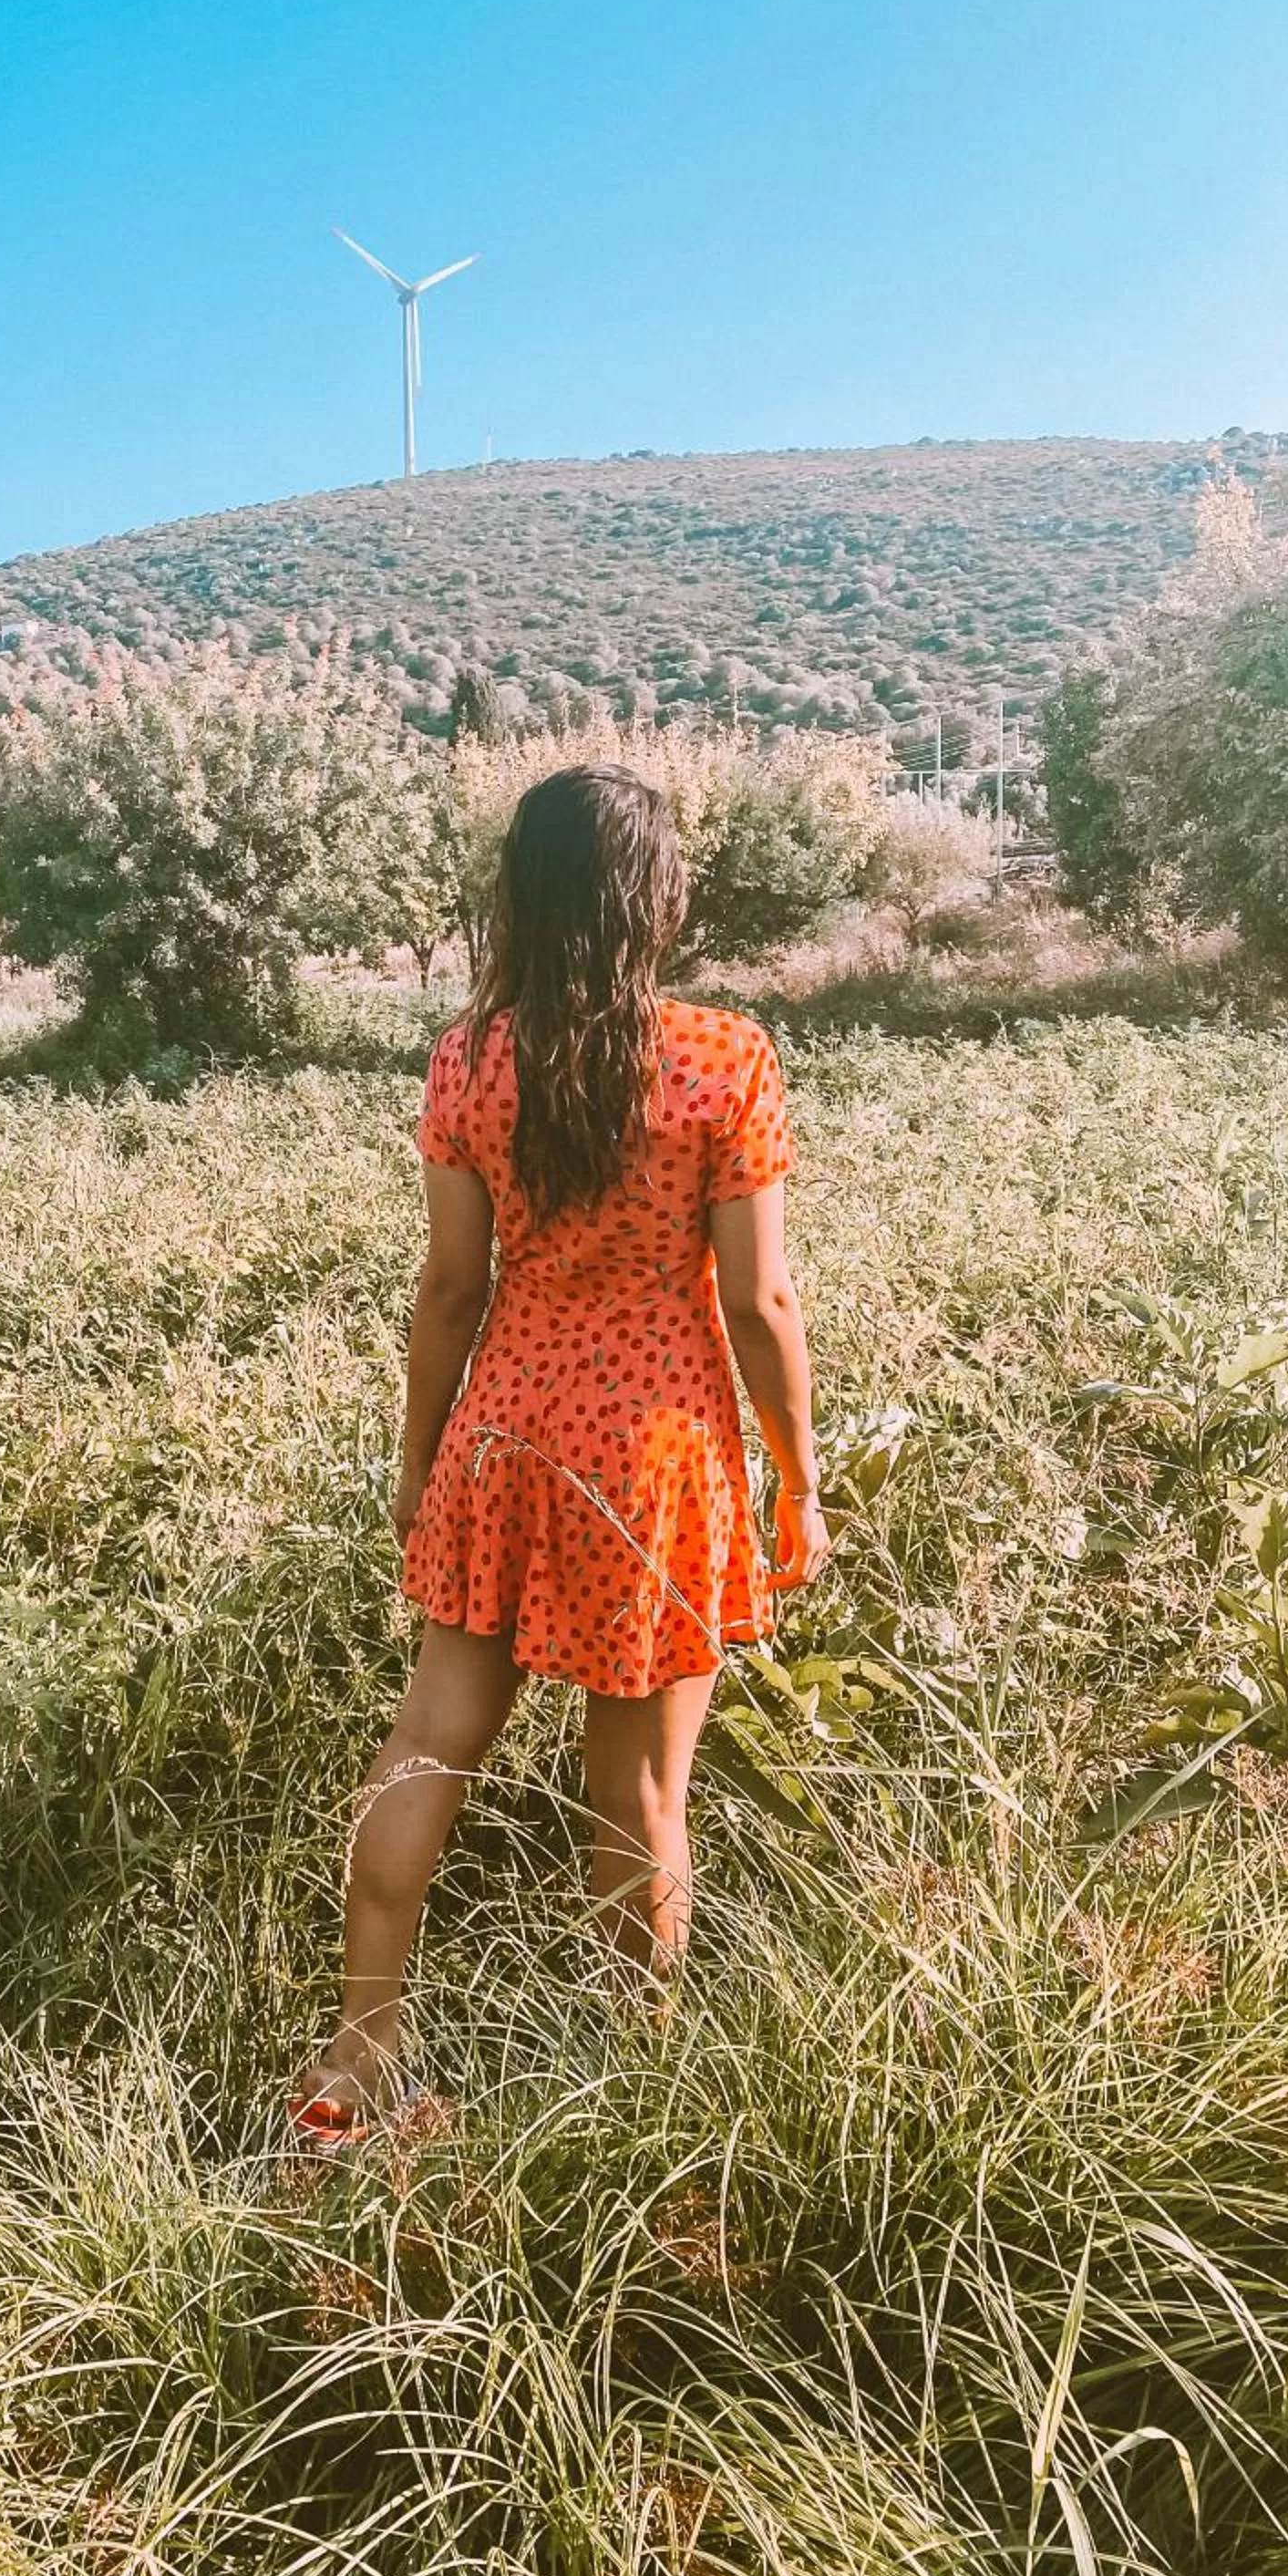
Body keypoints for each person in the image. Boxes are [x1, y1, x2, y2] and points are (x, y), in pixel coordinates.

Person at [293, 763, 830, 2146]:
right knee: (640, 1793)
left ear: (517, 894)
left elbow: (449, 1291)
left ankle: (353, 2065)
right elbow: (760, 1305)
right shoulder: (724, 1058)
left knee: (424, 1746)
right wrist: (797, 1479)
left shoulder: (470, 1058)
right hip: (653, 1454)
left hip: (505, 1432)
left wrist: (418, 1459)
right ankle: (621, 2093)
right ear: (655, 895)